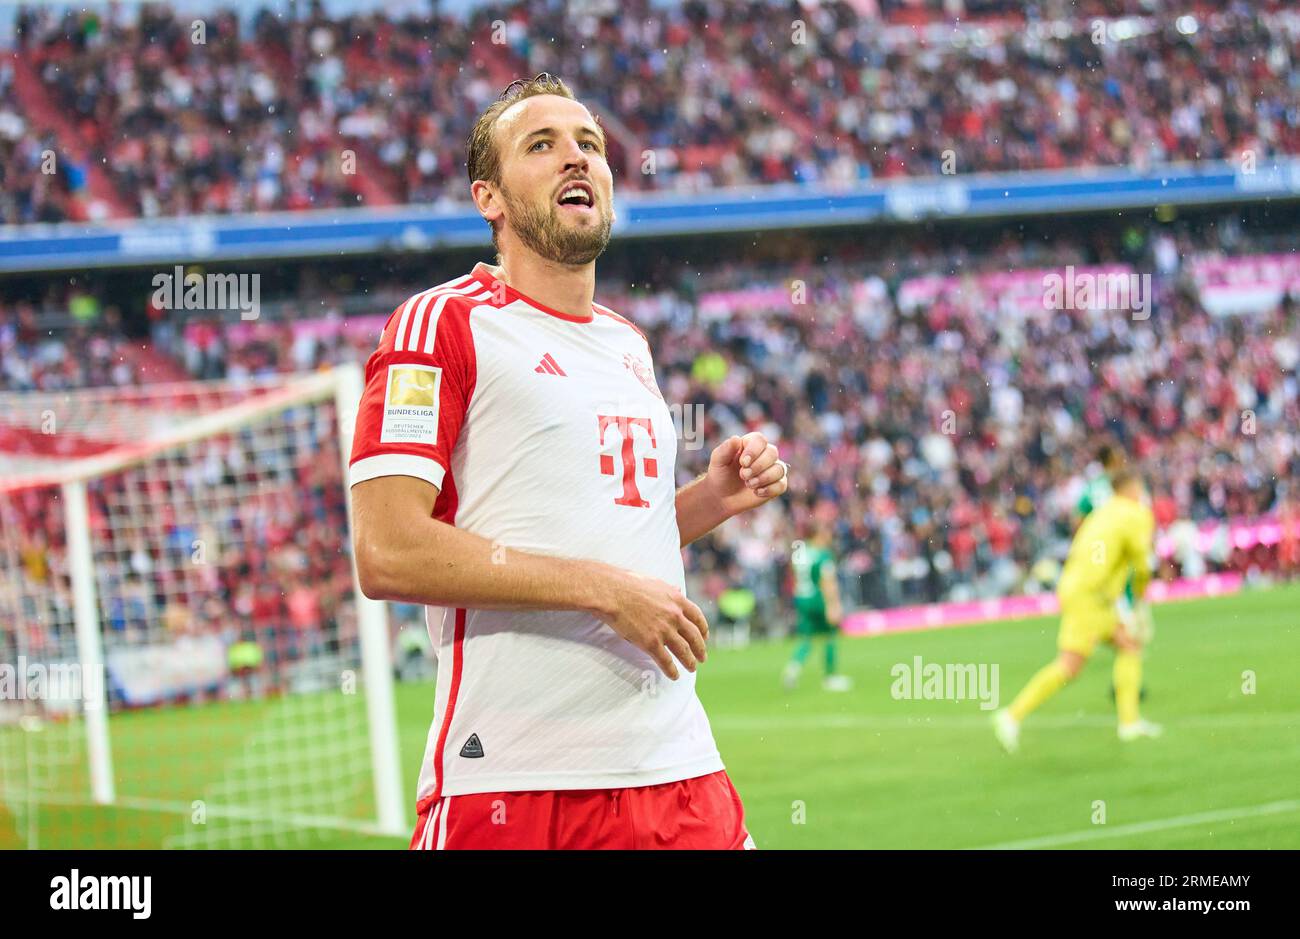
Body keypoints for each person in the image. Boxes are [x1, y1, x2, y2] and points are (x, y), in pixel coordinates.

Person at [348, 74, 791, 849]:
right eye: (542, 145)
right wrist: (600, 591)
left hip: (680, 773)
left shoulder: (628, 344)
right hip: (516, 786)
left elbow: (614, 536)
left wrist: (709, 500)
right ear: (489, 197)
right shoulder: (440, 323)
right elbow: (388, 549)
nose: (576, 158)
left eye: (590, 143)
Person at [995, 469, 1161, 751]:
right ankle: (1011, 716)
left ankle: (1129, 723)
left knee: (1129, 645)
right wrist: (1140, 598)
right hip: (1092, 596)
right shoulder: (1136, 514)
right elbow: (1142, 563)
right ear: (1134, 489)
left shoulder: (1102, 512)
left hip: (1078, 587)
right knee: (1070, 665)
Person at [782, 522, 850, 691]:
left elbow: (793, 575)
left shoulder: (800, 553)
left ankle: (792, 669)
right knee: (829, 636)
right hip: (818, 598)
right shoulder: (823, 555)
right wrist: (833, 606)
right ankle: (831, 678)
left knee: (807, 638)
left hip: (802, 598)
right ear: (818, 535)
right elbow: (828, 582)